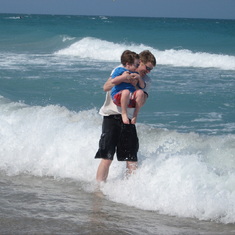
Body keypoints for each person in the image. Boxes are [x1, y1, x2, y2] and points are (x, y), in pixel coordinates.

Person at [95, 50, 156, 182]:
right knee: (107, 157)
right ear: (140, 62)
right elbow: (106, 87)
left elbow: (142, 100)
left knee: (131, 157)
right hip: (111, 115)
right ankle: (98, 190)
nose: (149, 71)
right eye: (147, 68)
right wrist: (124, 78)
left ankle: (130, 191)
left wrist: (138, 85)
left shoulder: (146, 81)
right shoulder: (120, 69)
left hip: (129, 120)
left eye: (151, 69)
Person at [111, 50, 145, 125]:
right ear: (128, 64)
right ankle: (124, 114)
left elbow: (142, 86)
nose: (138, 67)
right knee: (126, 91)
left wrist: (139, 78)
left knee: (140, 92)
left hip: (129, 98)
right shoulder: (119, 70)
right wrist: (124, 77)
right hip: (118, 96)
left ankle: (135, 115)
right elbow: (113, 81)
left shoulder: (135, 73)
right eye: (136, 65)